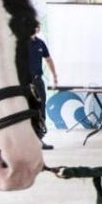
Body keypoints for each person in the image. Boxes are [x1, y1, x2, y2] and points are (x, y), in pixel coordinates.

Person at [29, 21, 59, 150]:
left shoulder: (40, 43)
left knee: (40, 110)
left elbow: (48, 59)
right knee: (25, 110)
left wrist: (54, 76)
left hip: (37, 81)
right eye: (34, 26)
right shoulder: (21, 43)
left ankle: (39, 139)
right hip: (25, 82)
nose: (36, 28)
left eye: (38, 26)